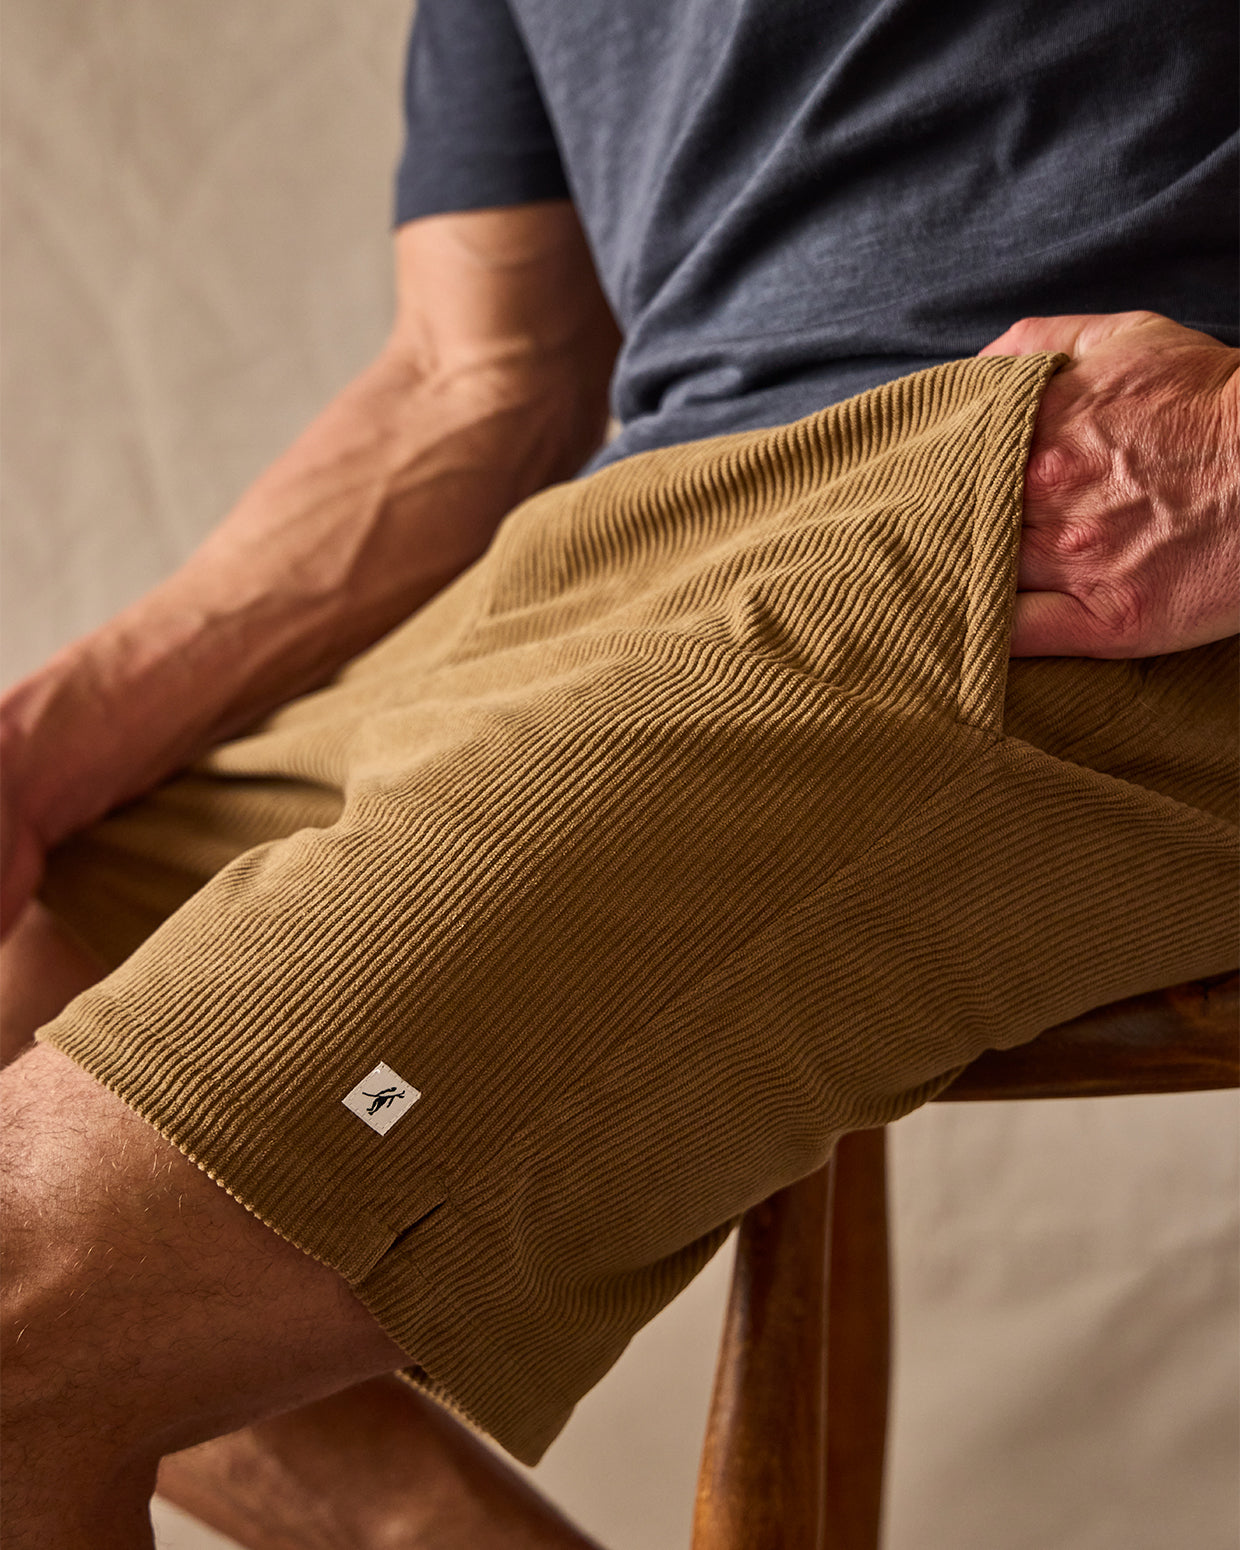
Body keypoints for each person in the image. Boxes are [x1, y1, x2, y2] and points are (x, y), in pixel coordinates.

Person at [2, 0, 1236, 1544]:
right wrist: (32, 762)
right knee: (24, 958)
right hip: (615, 550)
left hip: (1016, 526)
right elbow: (473, 376)